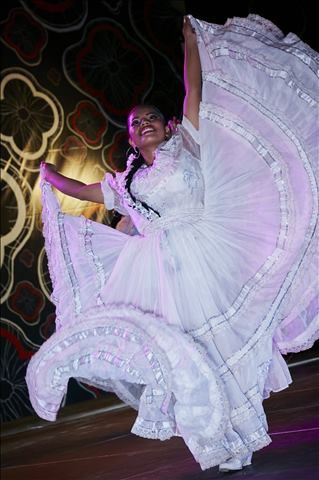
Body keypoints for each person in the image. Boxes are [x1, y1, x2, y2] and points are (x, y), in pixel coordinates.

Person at [26, 15, 318, 473]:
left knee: (222, 346)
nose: (144, 123)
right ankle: (215, 437)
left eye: (151, 118)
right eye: (135, 122)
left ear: (168, 126)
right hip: (162, 271)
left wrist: (190, 44)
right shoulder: (128, 181)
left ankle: (239, 430)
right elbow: (86, 192)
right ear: (130, 136)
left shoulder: (189, 145)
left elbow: (194, 92)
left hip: (207, 252)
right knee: (190, 353)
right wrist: (48, 177)